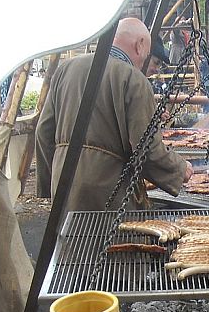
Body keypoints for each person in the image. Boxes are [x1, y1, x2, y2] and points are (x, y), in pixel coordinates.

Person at [36, 18, 193, 212]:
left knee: (71, 239)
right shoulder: (134, 80)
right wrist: (179, 168)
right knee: (113, 241)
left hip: (64, 184)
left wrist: (51, 181)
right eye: (146, 56)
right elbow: (146, 149)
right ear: (140, 44)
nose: (144, 62)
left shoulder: (65, 69)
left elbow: (43, 132)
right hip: (109, 190)